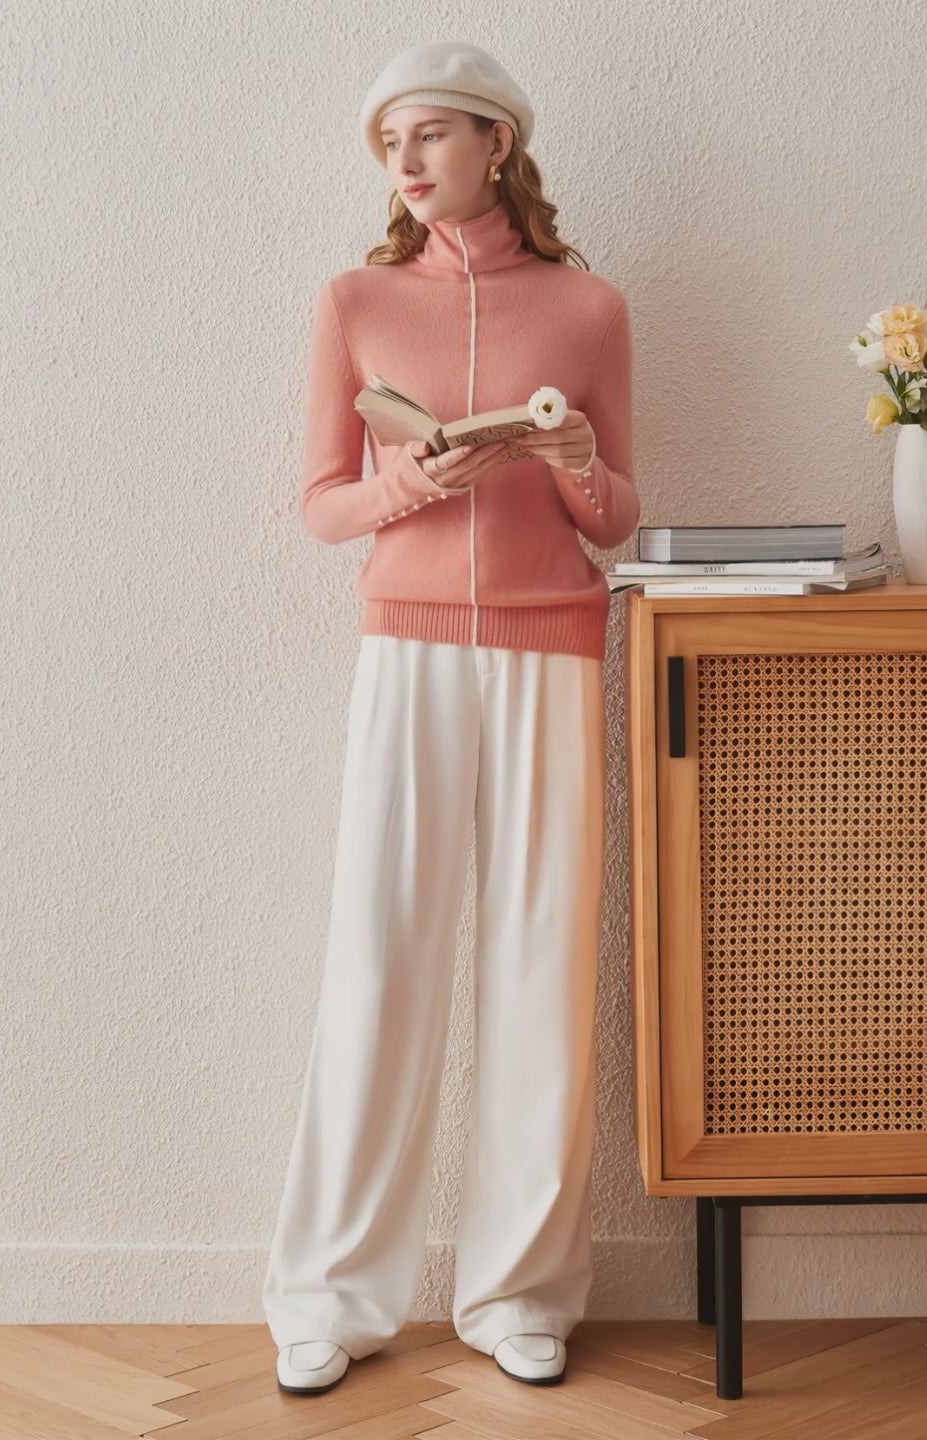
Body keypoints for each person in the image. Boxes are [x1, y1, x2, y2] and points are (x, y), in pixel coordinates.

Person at [263, 38, 640, 1397]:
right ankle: (330, 1294)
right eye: (390, 144)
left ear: (497, 142)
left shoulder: (589, 307)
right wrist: (410, 484)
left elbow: (618, 517)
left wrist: (579, 461)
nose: (407, 162)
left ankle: (520, 1291)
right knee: (380, 957)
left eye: (430, 135)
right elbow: (322, 505)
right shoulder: (355, 299)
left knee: (546, 960)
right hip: (409, 649)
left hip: (552, 647)